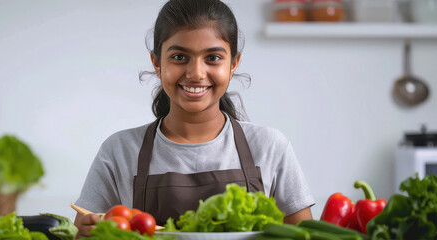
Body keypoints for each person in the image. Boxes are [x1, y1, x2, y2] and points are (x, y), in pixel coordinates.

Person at [74, 0, 314, 237]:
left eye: (213, 58)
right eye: (179, 57)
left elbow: (304, 236)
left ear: (234, 63)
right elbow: (80, 231)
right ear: (157, 63)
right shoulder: (119, 151)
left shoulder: (270, 146)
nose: (196, 73)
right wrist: (86, 233)